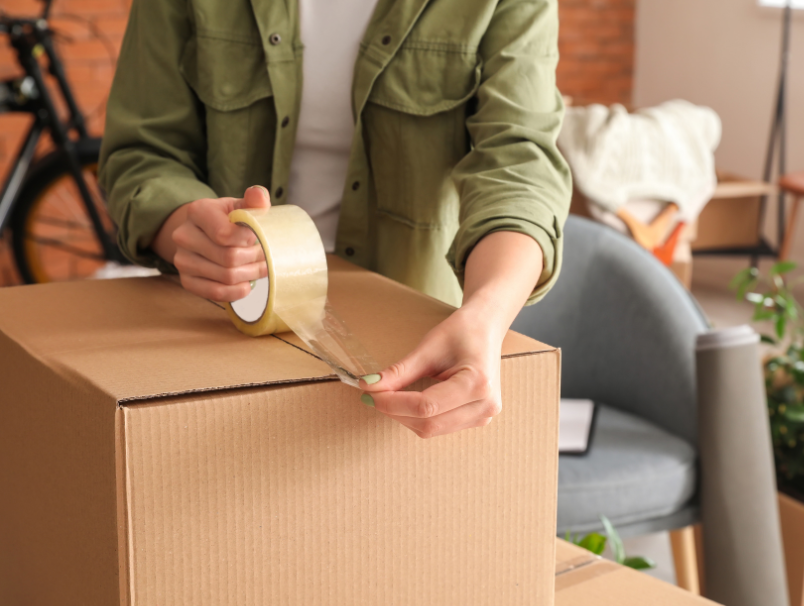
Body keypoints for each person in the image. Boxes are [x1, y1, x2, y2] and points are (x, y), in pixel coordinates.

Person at [99, 0, 571, 437]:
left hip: (414, 339)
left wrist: (485, 316)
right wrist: (185, 228)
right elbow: (142, 151)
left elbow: (519, 162)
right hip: (223, 323)